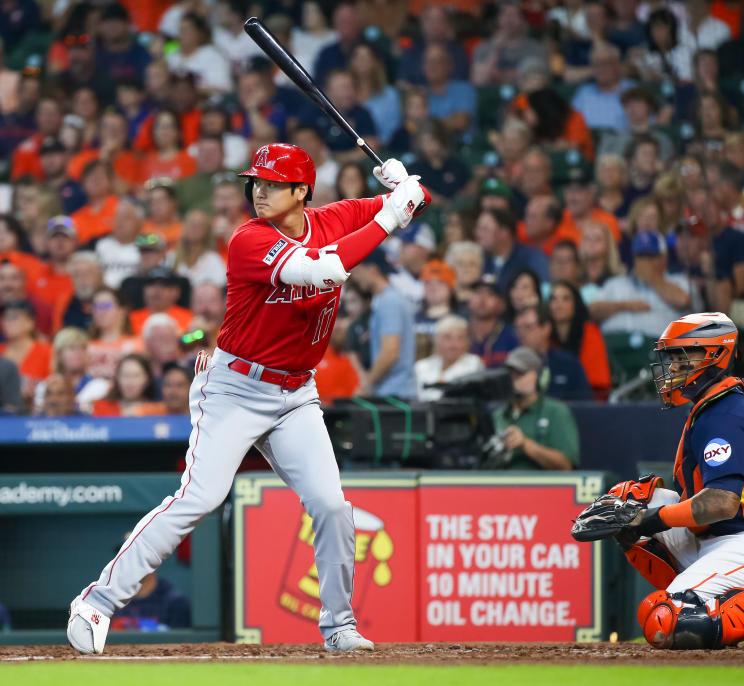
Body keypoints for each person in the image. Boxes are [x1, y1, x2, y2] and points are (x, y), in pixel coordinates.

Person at [66, 144, 427, 654]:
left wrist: (403, 184)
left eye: (274, 183)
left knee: (331, 505)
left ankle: (340, 625)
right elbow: (324, 271)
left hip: (296, 391)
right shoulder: (248, 240)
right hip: (235, 387)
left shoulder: (332, 217)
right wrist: (393, 213)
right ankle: (96, 602)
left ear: (301, 190)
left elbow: (417, 199)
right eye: (256, 182)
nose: (260, 191)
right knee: (201, 498)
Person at [588, 312, 744, 649]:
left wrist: (652, 520)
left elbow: (722, 502)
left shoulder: (725, 412)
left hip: (738, 540)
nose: (672, 367)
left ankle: (700, 599)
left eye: (682, 356)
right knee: (630, 500)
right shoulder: (713, 405)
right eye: (672, 358)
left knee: (663, 618)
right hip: (719, 537)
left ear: (715, 354)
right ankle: (707, 592)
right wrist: (640, 517)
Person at [590, 230, 692, 339]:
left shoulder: (678, 281)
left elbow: (683, 301)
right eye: (640, 256)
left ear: (663, 258)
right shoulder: (615, 283)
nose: (644, 261)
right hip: (616, 345)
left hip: (659, 346)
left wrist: (653, 279)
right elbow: (593, 311)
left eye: (650, 256)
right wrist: (623, 306)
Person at [492, 346, 580, 470]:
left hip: (543, 487)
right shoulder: (498, 415)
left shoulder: (556, 412)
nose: (512, 380)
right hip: (501, 487)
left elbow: (566, 465)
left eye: (519, 373)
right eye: (509, 374)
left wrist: (525, 444)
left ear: (538, 377)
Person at [349, 249, 416, 398]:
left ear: (373, 269)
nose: (356, 277)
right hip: (393, 392)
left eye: (358, 271)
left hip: (396, 394)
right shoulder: (384, 299)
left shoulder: (389, 301)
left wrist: (367, 383)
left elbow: (390, 351)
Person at [513, 304, 594, 401]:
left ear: (546, 328)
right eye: (518, 328)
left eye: (528, 327)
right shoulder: (511, 366)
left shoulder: (568, 363)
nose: (521, 334)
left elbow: (585, 405)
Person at [548, 281, 612, 399]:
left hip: (584, 401)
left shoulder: (590, 332)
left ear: (576, 304)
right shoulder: (543, 333)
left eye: (565, 298)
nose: (559, 303)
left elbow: (598, 384)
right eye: (553, 299)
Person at [414, 314, 485, 401]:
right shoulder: (421, 366)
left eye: (460, 338)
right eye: (447, 337)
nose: (453, 344)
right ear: (436, 340)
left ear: (467, 342)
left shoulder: (474, 364)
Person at [468, 275, 520, 368]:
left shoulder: (513, 335)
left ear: (502, 304)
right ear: (469, 301)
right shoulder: (459, 333)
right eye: (478, 292)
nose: (482, 299)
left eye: (490, 294)